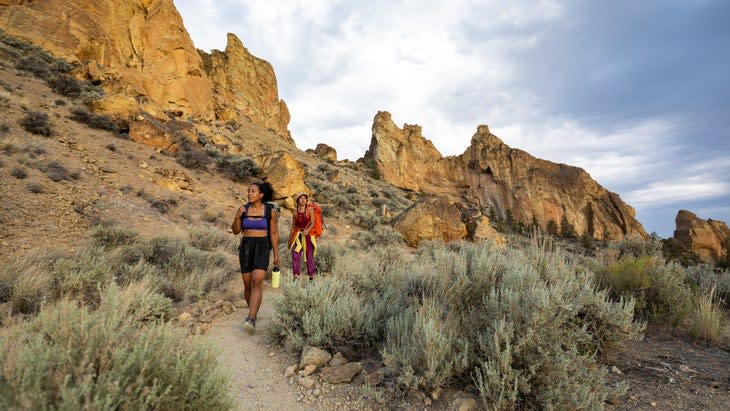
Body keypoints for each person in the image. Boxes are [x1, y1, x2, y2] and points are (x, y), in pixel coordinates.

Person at [231, 182, 280, 333]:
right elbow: (235, 230)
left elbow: (273, 233)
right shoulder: (243, 209)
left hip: (263, 246)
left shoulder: (269, 211)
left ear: (261, 195)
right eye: (248, 191)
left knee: (256, 281)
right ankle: (252, 311)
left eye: (253, 191)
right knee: (247, 284)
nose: (249, 193)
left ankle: (251, 318)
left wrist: (276, 254)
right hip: (246, 247)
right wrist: (238, 217)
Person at [288, 193, 316, 281]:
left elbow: (312, 222)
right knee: (295, 255)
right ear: (297, 201)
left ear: (306, 200)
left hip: (308, 236)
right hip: (298, 236)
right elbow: (293, 226)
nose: (303, 200)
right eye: (300, 198)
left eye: (304, 198)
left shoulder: (310, 210)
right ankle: (296, 276)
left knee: (309, 256)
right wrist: (290, 240)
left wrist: (307, 230)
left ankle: (311, 277)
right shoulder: (295, 212)